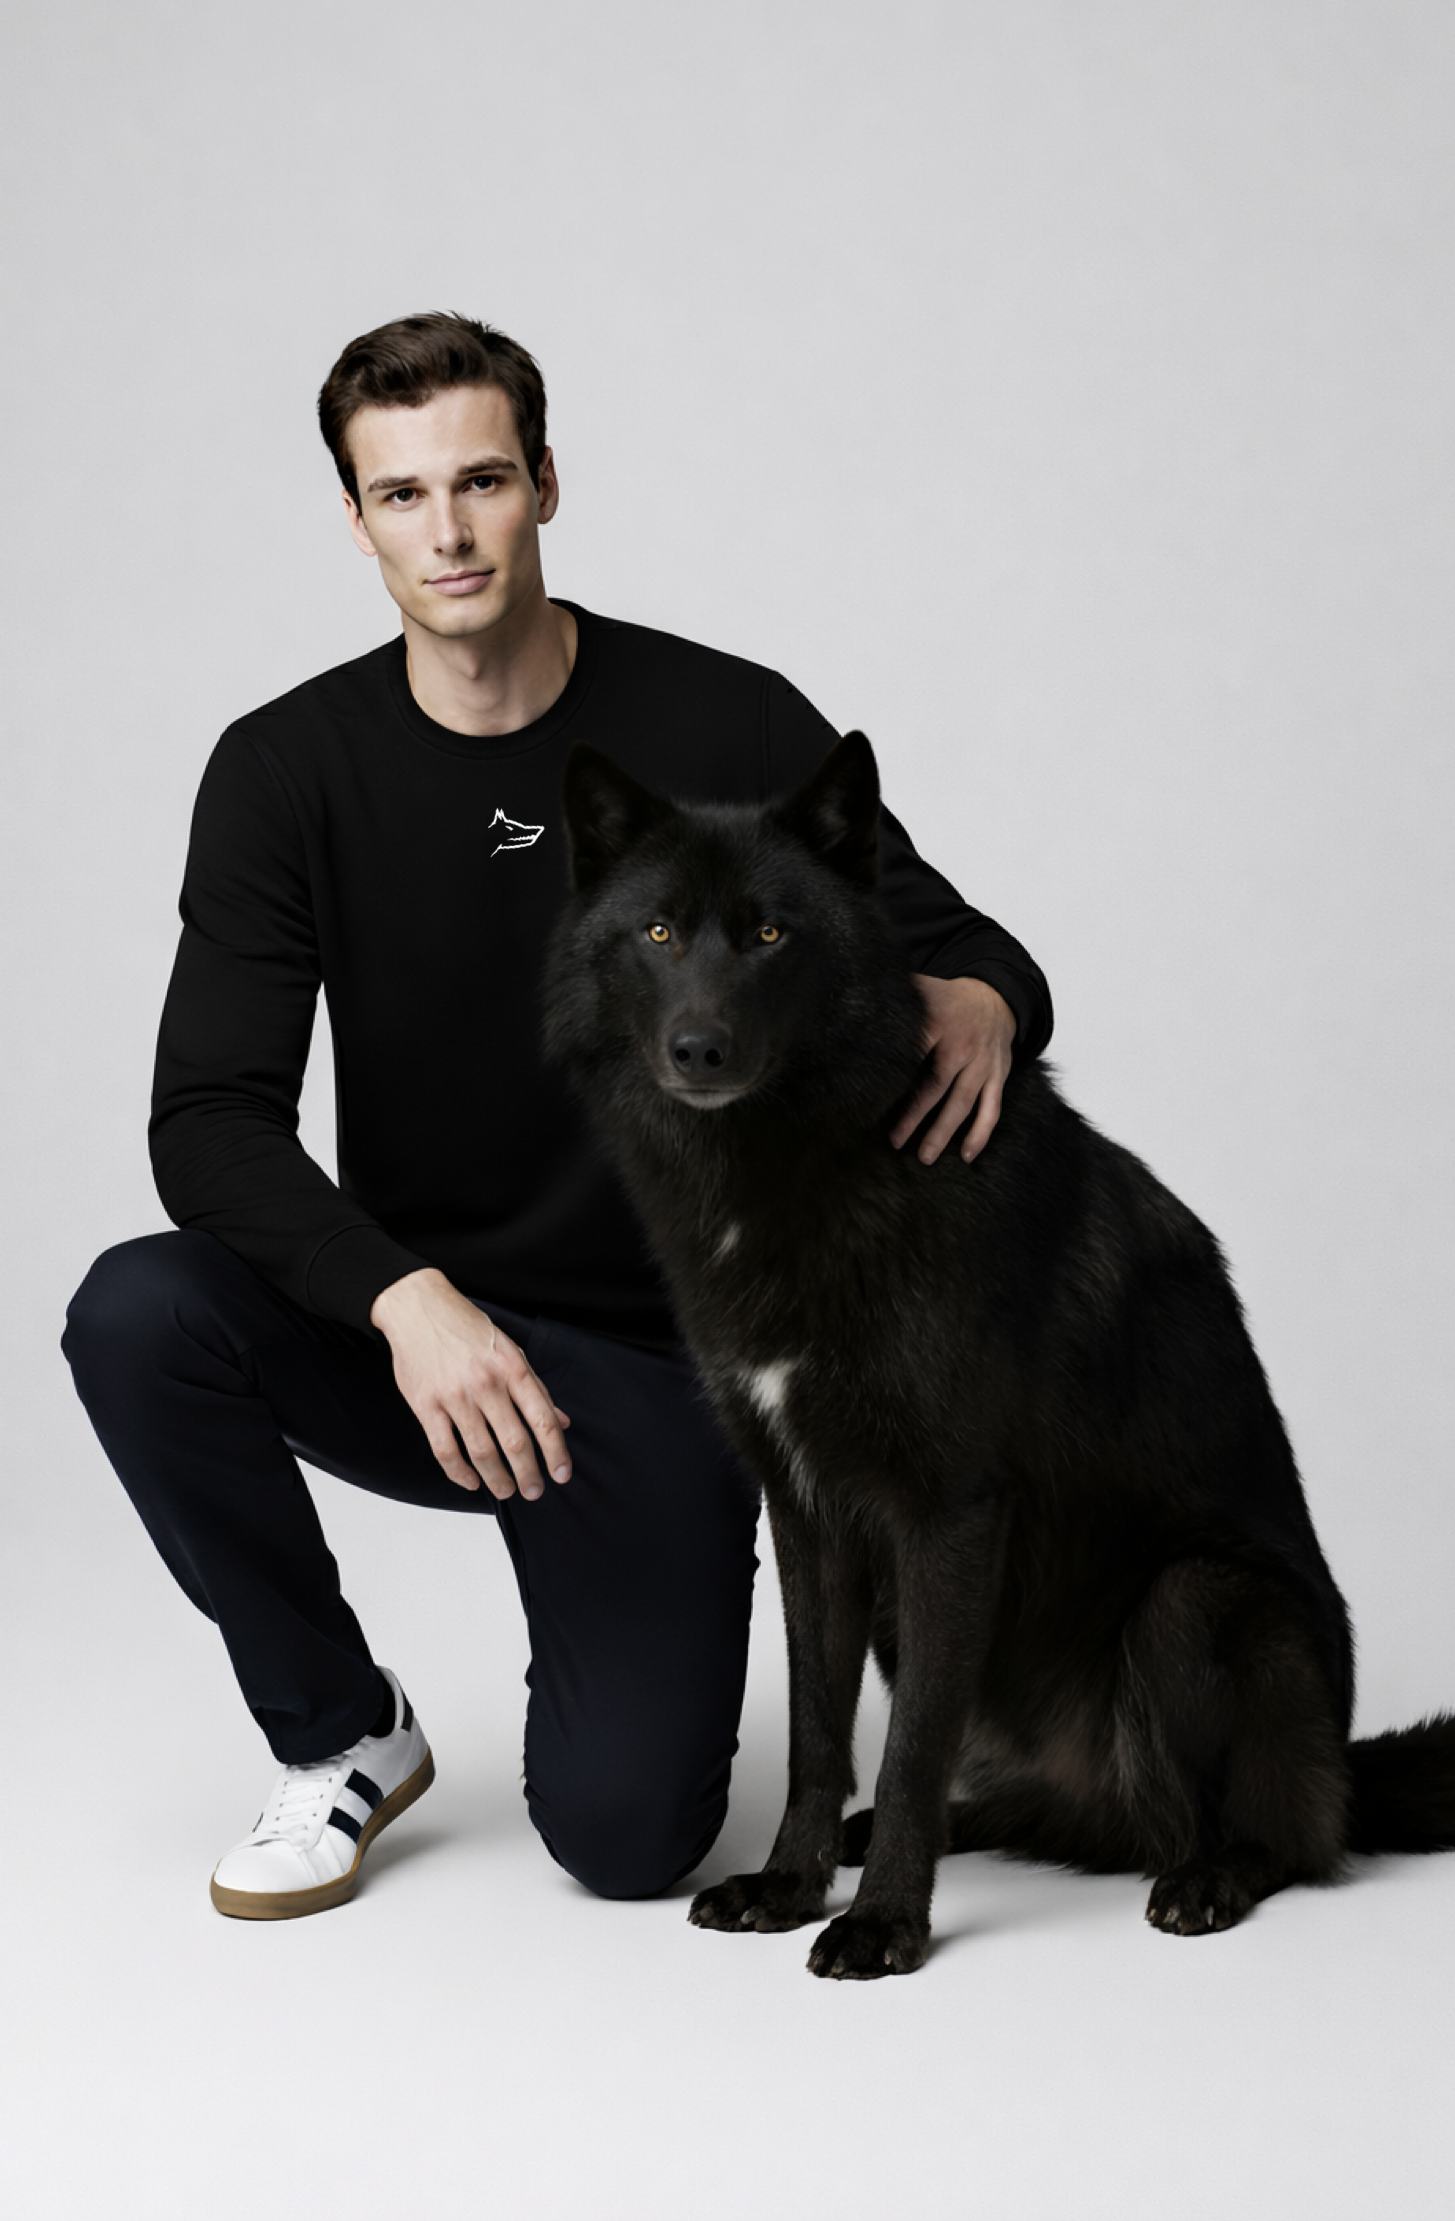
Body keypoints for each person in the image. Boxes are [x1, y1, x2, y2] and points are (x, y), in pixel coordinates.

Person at [62, 312, 1054, 1920]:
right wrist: (403, 1298)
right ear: (356, 519)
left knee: (626, 1840)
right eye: (402, 495)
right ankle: (340, 1734)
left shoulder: (726, 718)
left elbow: (961, 946)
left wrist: (995, 998)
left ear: (544, 483)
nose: (448, 531)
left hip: (664, 1370)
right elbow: (208, 1122)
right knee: (138, 1311)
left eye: (482, 481)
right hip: (424, 1348)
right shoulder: (284, 771)